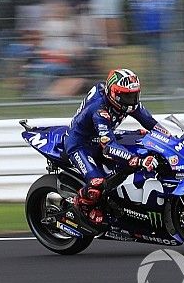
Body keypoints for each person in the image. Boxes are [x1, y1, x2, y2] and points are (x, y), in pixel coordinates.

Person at [64, 68, 159, 228]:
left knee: (143, 137)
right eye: (127, 96)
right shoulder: (100, 110)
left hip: (103, 135)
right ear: (114, 94)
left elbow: (151, 123)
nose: (131, 100)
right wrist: (136, 160)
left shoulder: (125, 102)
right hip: (80, 143)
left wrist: (173, 139)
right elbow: (108, 146)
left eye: (134, 95)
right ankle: (81, 207)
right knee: (97, 182)